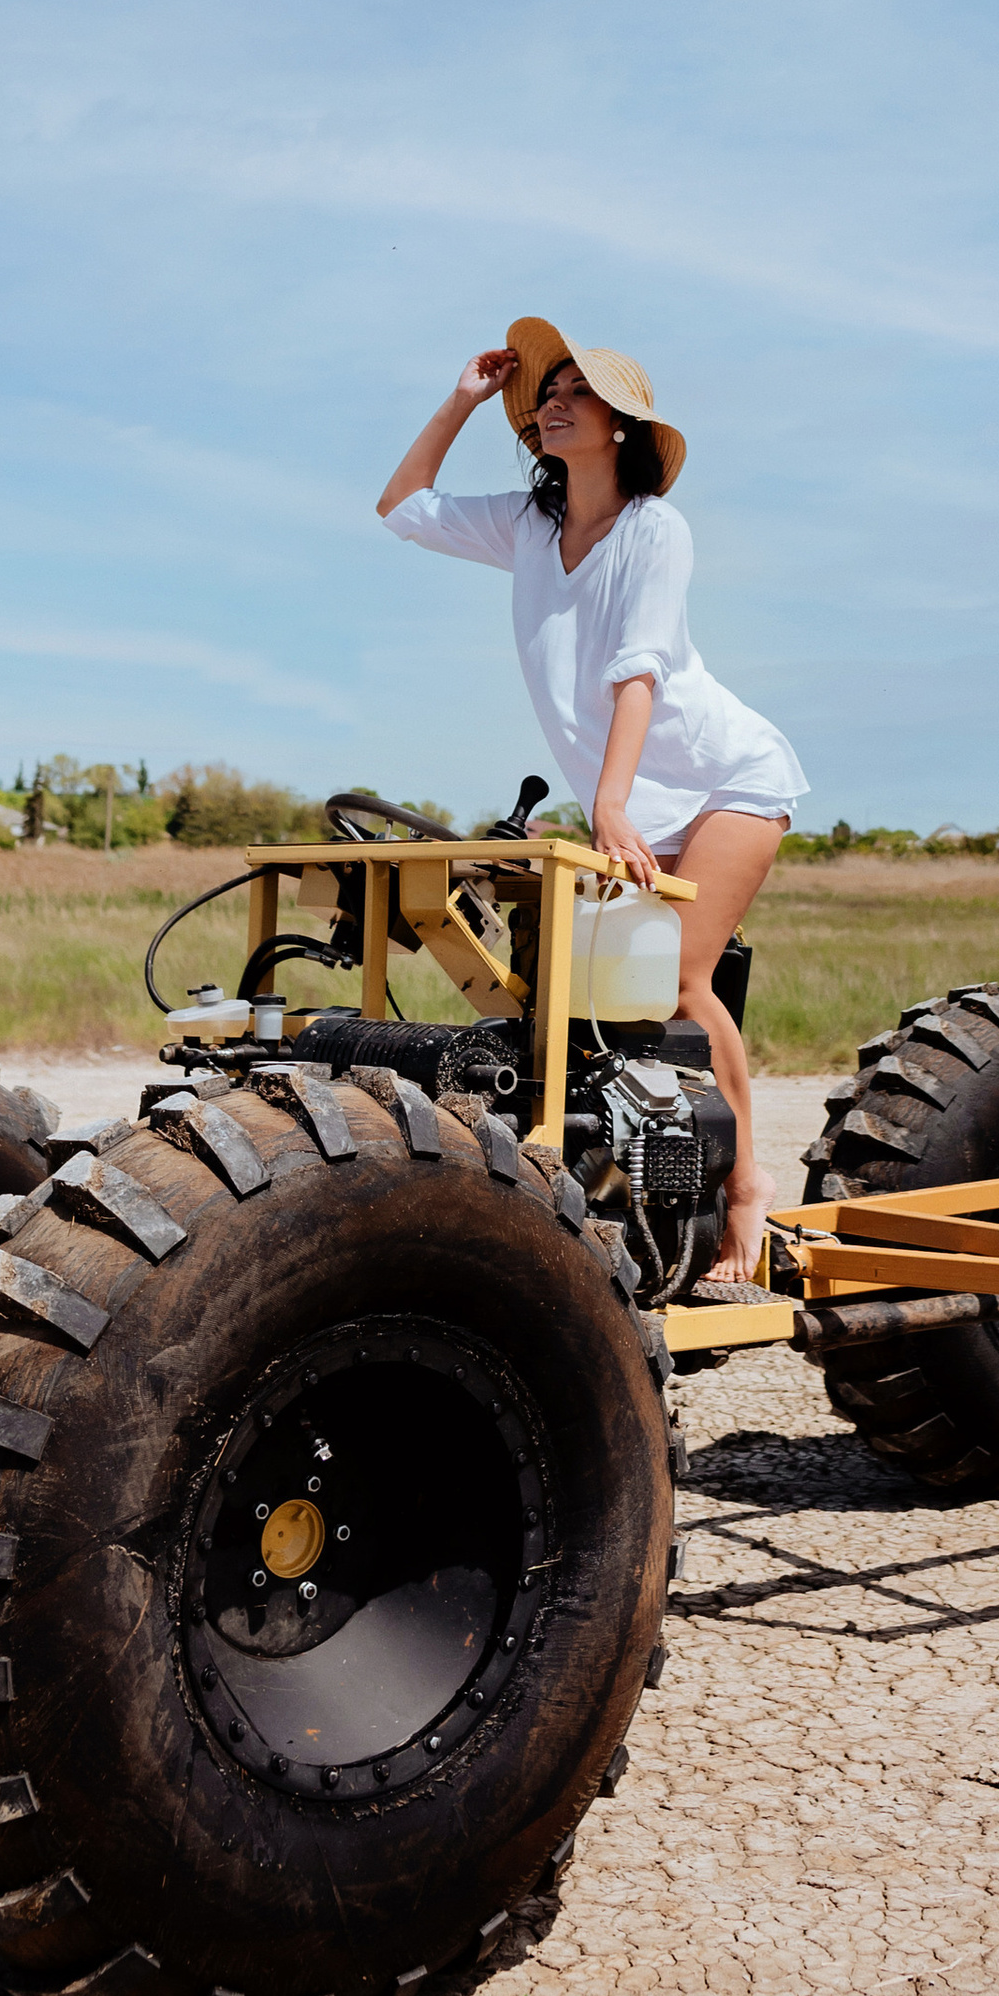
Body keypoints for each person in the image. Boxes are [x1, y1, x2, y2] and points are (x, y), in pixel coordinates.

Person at [377, 319, 806, 1287]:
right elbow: (400, 506)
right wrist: (462, 400)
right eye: (548, 391)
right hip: (635, 795)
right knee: (604, 998)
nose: (554, 402)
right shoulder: (527, 526)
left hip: (727, 778)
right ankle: (629, 1186)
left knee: (682, 981)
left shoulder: (655, 529)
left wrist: (609, 807)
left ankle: (748, 1187)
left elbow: (636, 671)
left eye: (579, 391)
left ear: (622, 426)